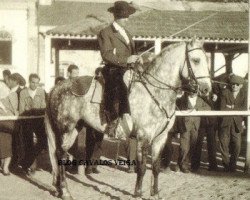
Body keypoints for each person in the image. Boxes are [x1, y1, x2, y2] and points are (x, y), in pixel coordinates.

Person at [98, 1, 139, 173]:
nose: (127, 19)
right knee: (119, 89)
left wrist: (137, 58)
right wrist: (125, 61)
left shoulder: (127, 32)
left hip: (129, 69)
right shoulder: (106, 32)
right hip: (114, 70)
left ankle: (132, 160)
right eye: (124, 16)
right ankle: (113, 120)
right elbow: (106, 54)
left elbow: (132, 52)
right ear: (117, 16)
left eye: (127, 16)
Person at [176, 90, 211, 173]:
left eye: (195, 91)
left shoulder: (200, 100)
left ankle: (190, 164)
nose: (193, 92)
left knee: (193, 146)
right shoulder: (182, 100)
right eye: (191, 91)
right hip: (185, 126)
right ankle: (183, 165)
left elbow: (208, 108)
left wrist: (198, 110)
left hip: (195, 127)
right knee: (184, 146)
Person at [19, 73, 47, 175]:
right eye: (33, 82)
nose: (35, 85)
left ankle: (27, 162)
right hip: (27, 121)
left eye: (37, 83)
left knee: (43, 141)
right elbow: (22, 109)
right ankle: (29, 166)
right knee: (28, 143)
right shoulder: (23, 93)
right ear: (29, 81)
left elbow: (43, 107)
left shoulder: (41, 92)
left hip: (39, 121)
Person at [219, 74, 247, 172]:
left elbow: (245, 109)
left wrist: (231, 107)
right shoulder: (225, 93)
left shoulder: (244, 95)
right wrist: (234, 108)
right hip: (225, 122)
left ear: (241, 85)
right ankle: (226, 165)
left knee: (237, 145)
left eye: (237, 84)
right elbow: (222, 108)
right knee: (224, 144)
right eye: (232, 84)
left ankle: (233, 164)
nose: (234, 86)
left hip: (237, 124)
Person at [0, 73, 22, 175]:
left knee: (6, 143)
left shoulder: (13, 94)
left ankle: (6, 167)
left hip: (6, 123)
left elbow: (15, 110)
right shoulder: (11, 94)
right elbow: (15, 110)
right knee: (6, 144)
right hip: (7, 123)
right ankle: (5, 167)